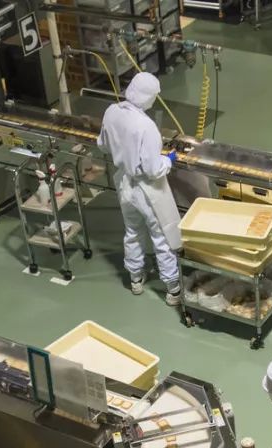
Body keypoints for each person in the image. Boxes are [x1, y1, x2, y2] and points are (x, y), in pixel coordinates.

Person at [97, 72, 183, 306]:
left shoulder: (111, 112)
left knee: (133, 231)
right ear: (148, 96)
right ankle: (173, 289)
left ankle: (135, 279)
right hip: (148, 190)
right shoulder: (146, 126)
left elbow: (102, 145)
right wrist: (168, 160)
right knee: (162, 236)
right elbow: (153, 169)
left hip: (124, 184)